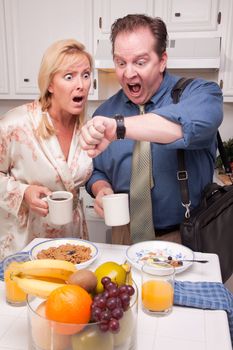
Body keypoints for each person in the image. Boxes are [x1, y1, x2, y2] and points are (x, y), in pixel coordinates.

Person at [79, 14, 223, 245]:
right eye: (120, 62)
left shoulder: (201, 93)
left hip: (186, 236)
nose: (128, 73)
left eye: (140, 62)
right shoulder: (104, 112)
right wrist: (101, 188)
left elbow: (192, 125)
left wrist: (120, 128)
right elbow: (95, 170)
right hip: (124, 236)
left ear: (162, 60)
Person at [0, 39, 93, 260]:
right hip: (25, 244)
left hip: (72, 244)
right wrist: (23, 193)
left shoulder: (86, 128)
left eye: (86, 75)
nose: (81, 84)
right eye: (69, 76)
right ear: (50, 84)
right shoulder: (16, 124)